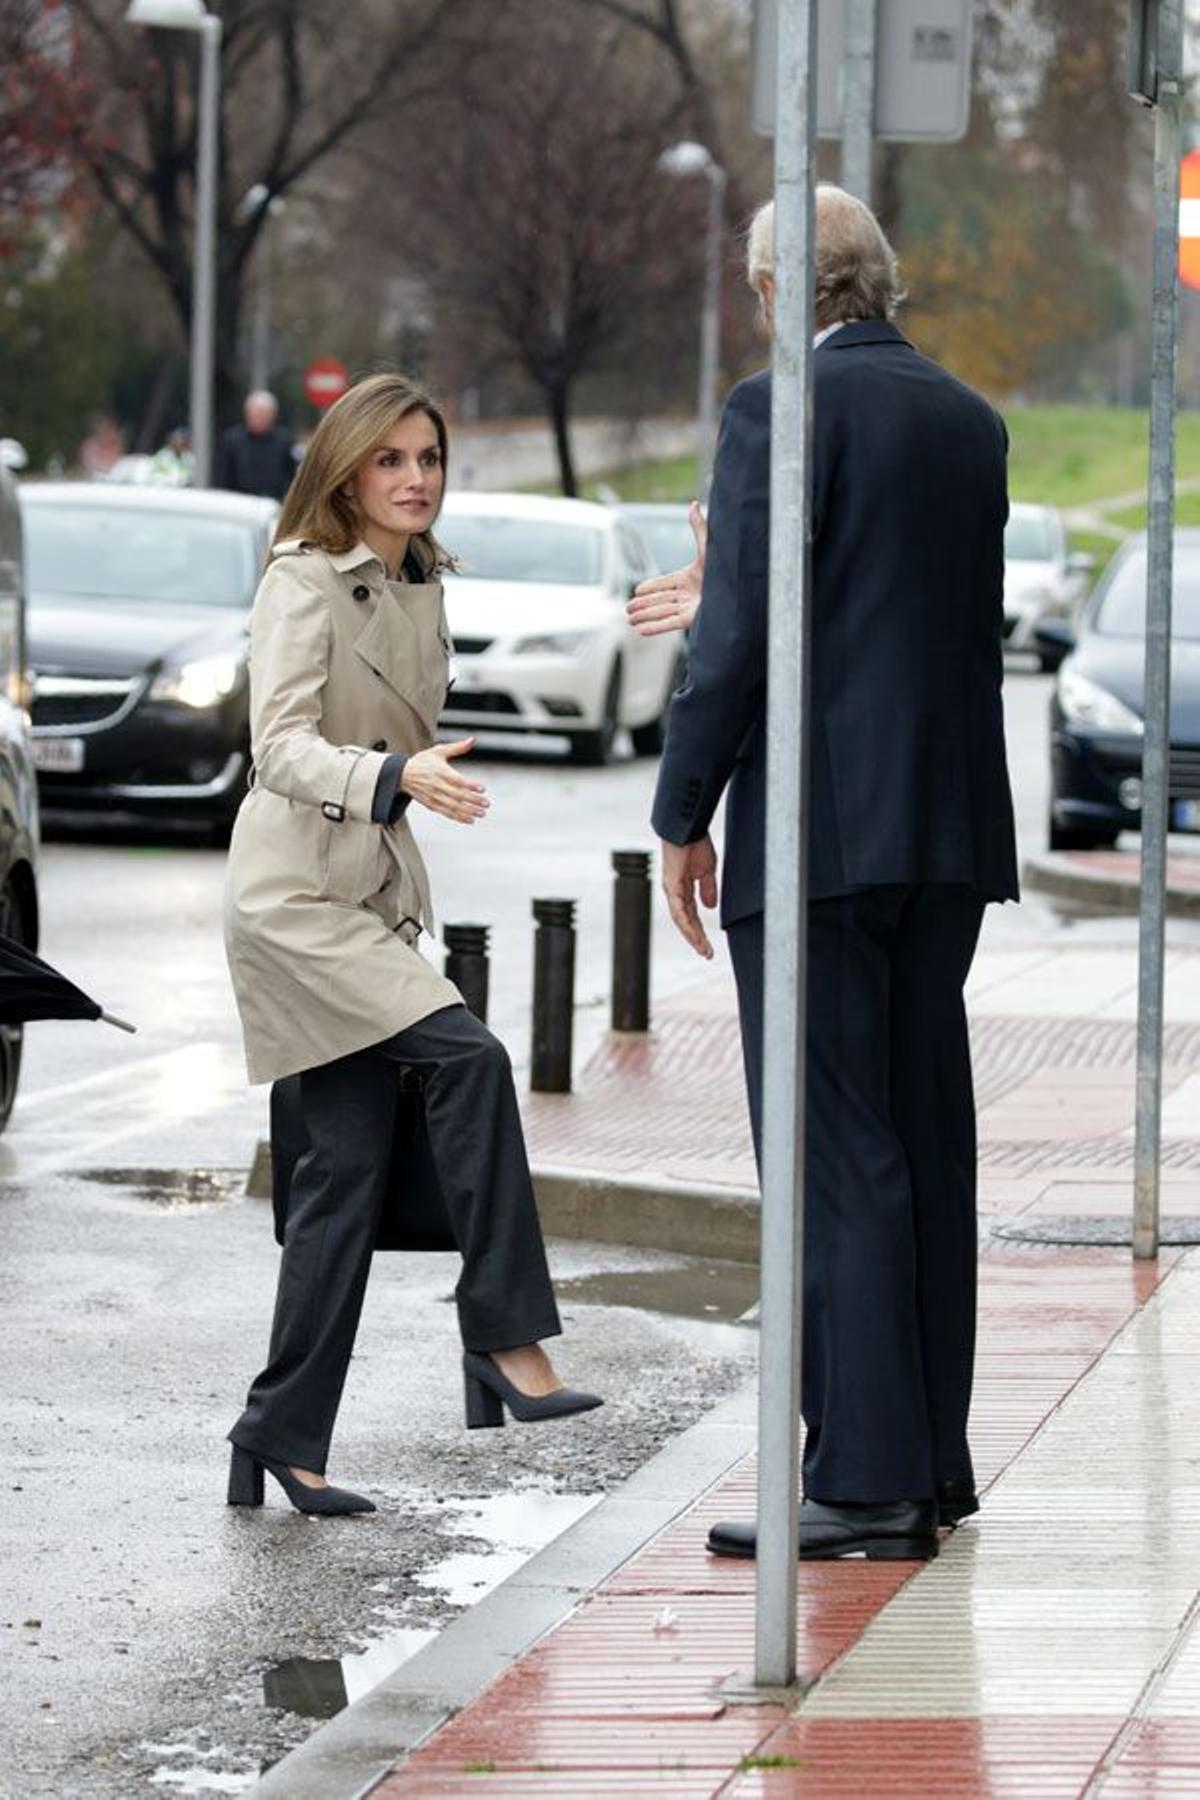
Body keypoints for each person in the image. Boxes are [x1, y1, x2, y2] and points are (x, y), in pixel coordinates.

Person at [637, 188, 1018, 1562]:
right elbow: (889, 605)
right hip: (946, 829)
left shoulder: (773, 410)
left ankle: (860, 1483)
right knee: (921, 1133)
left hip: (818, 835)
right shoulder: (970, 423)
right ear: (882, 284)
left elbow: (743, 636)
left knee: (832, 1146)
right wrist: (724, 576)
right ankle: (930, 1459)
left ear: (769, 290)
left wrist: (684, 808)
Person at [224, 371, 601, 1518]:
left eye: (428, 460)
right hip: (298, 903)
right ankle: (504, 1339)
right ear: (347, 467)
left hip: (369, 897)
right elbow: (277, 747)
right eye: (390, 461)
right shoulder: (303, 581)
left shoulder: (420, 579)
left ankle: (278, 1437)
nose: (415, 480)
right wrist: (395, 775)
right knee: (471, 1060)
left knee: (340, 1185)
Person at [216, 389, 296, 500]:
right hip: (239, 504)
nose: (259, 418)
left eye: (263, 414)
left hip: (273, 503)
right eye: (255, 413)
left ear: (272, 415)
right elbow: (223, 477)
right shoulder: (233, 440)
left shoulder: (284, 442)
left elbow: (291, 477)